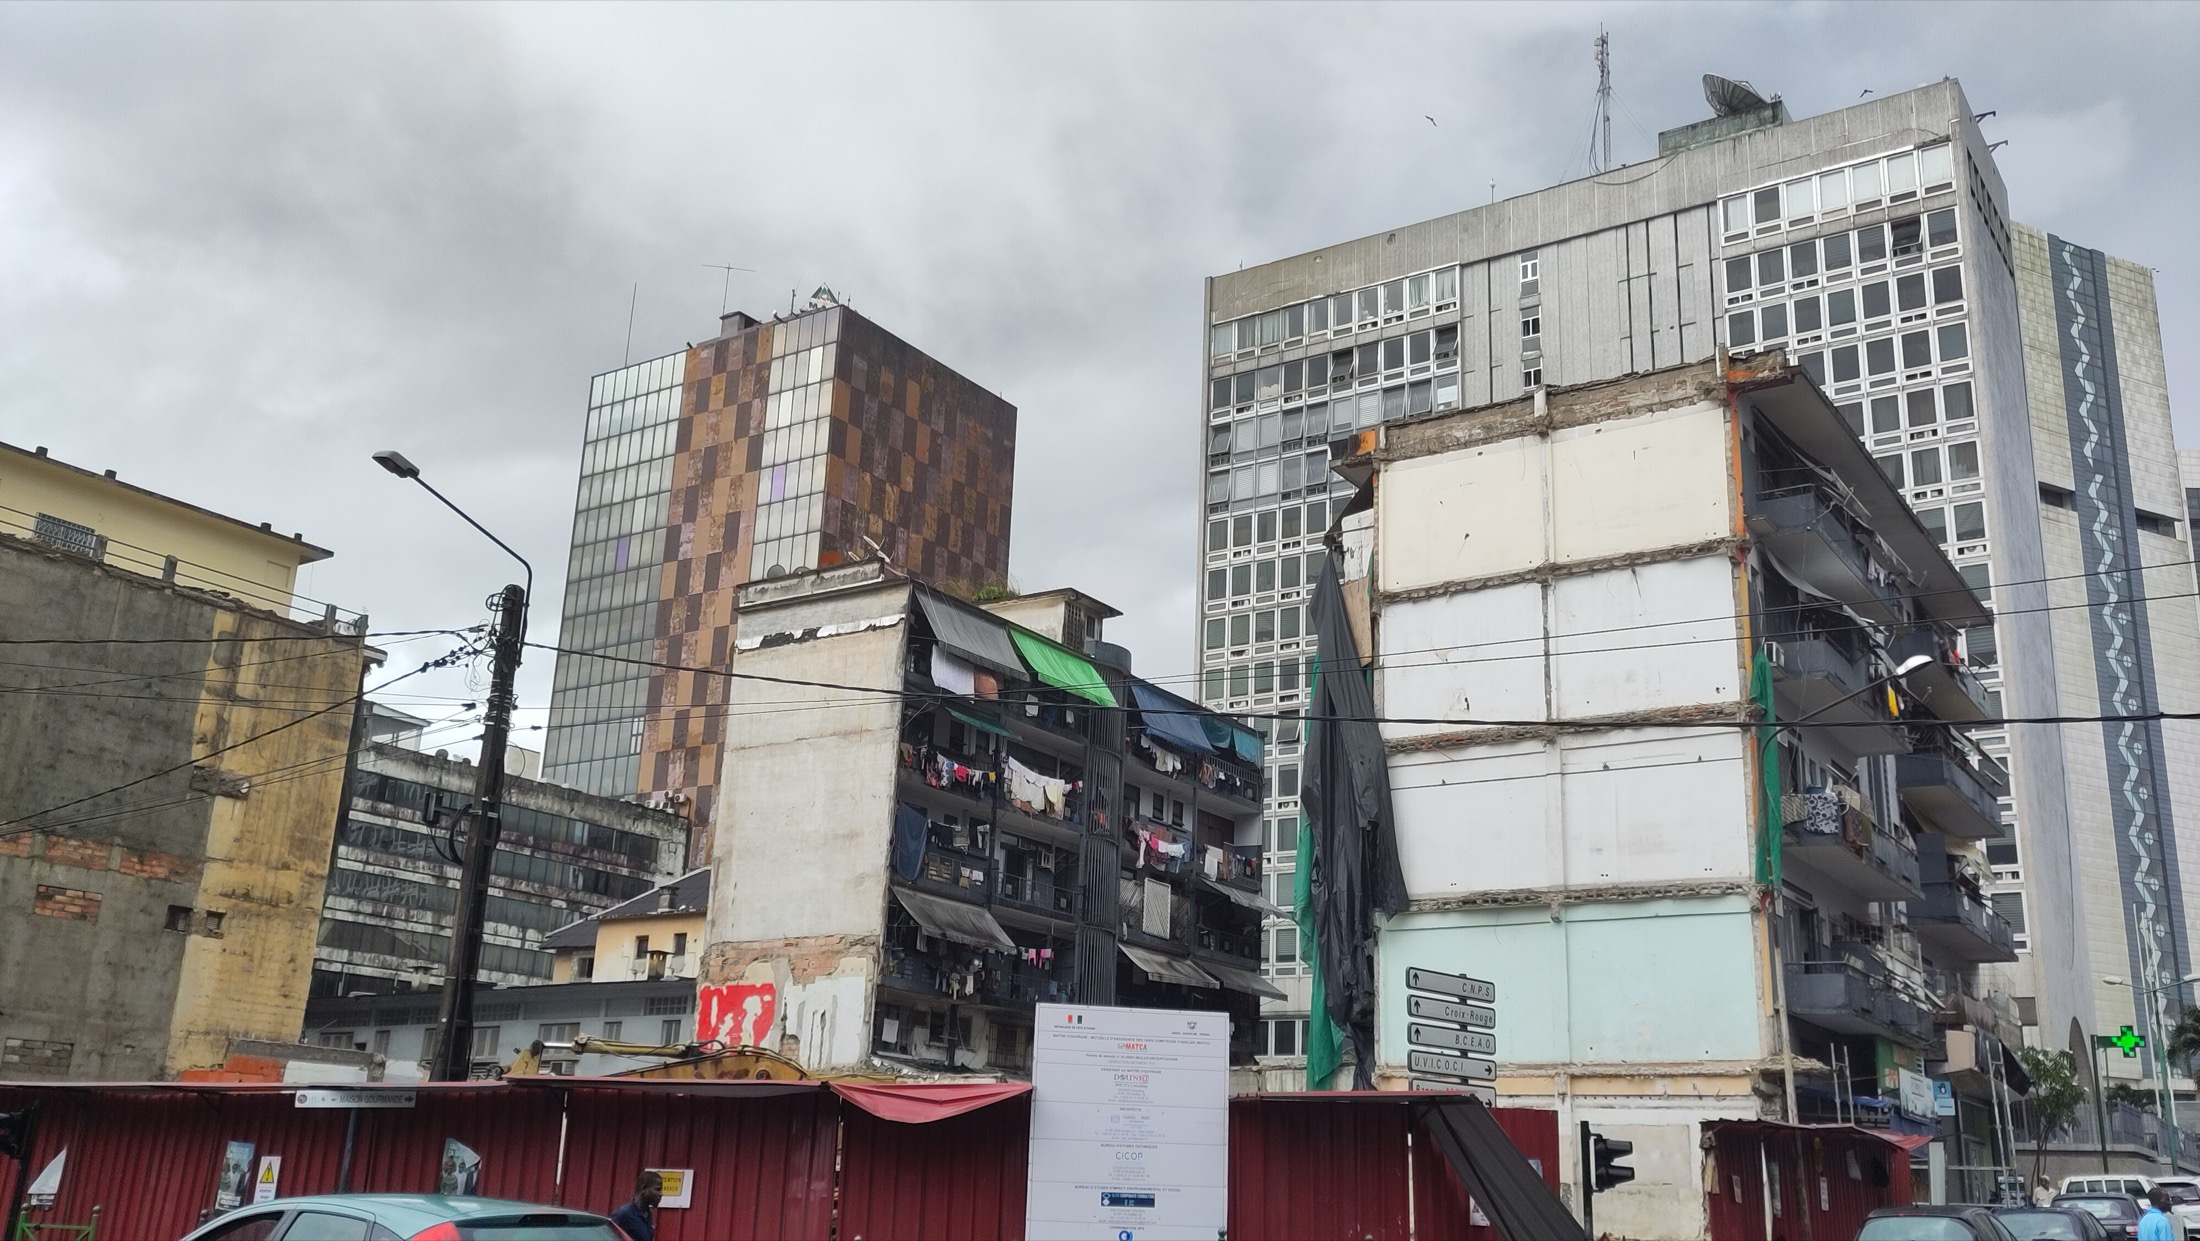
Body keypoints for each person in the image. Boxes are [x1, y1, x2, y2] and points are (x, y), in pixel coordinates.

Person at [608, 1170, 663, 1241]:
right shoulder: (623, 1215)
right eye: (658, 1189)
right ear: (643, 1189)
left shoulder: (647, 1214)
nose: (661, 1194)